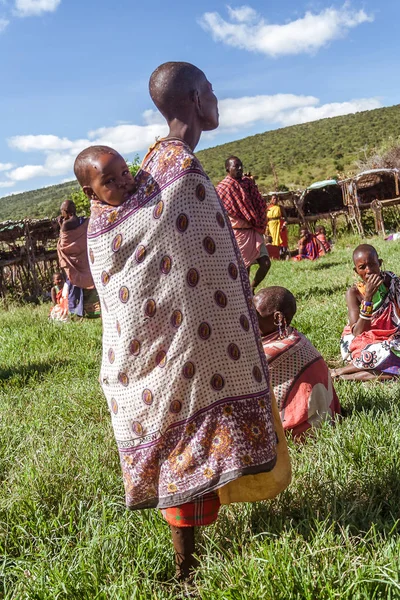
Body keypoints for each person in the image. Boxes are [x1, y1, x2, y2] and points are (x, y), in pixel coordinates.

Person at [81, 62, 288, 582]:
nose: (218, 99)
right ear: (195, 99)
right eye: (213, 91)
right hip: (169, 347)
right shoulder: (176, 169)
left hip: (195, 341)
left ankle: (188, 565)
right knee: (180, 445)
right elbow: (121, 251)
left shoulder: (161, 166)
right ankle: (184, 573)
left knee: (189, 444)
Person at [254, 286, 341, 438]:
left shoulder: (271, 352)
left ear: (278, 319)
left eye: (255, 314)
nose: (248, 317)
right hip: (326, 417)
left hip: (301, 429)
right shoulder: (293, 335)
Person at [333, 244, 400, 380]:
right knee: (381, 350)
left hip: (392, 336)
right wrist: (368, 298)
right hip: (363, 340)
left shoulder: (393, 283)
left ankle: (344, 377)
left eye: (372, 265)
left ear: (379, 264)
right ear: (356, 271)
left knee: (390, 350)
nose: (368, 271)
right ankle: (340, 370)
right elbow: (358, 332)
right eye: (362, 267)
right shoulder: (354, 293)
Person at [216, 156, 270, 292]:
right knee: (245, 269)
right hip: (239, 233)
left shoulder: (247, 183)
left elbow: (258, 202)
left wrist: (252, 183)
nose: (240, 169)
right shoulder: (222, 188)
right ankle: (245, 295)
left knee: (266, 263)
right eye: (236, 166)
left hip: (253, 229)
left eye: (241, 165)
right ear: (228, 169)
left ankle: (252, 287)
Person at [57, 199, 100, 318]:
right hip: (84, 259)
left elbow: (64, 243)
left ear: (65, 211)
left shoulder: (66, 224)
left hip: (74, 262)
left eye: (62, 211)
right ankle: (93, 309)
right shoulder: (83, 221)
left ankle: (76, 311)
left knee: (73, 283)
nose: (61, 214)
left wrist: (60, 225)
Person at [266, 195, 288, 259]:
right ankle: (273, 255)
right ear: (271, 200)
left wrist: (284, 224)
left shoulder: (280, 207)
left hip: (279, 224)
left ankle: (281, 254)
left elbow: (286, 218)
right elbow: (266, 218)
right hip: (271, 225)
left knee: (280, 239)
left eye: (276, 198)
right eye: (273, 198)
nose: (275, 200)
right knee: (271, 239)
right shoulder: (268, 208)